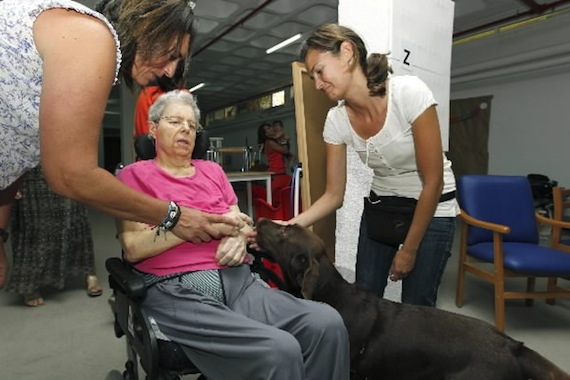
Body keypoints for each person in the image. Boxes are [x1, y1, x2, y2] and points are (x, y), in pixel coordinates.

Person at [0, 0, 242, 289]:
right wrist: (174, 216)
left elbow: (18, 155)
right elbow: (70, 174)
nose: (170, 71)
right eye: (172, 54)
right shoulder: (92, 36)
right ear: (148, 25)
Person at [116, 90, 350, 380]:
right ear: (153, 129)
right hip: (178, 291)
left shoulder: (212, 171)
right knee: (280, 350)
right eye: (175, 121)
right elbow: (133, 247)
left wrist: (239, 238)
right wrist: (202, 223)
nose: (185, 130)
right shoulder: (133, 176)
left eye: (191, 125)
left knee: (328, 323)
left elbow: (240, 223)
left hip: (238, 281)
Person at [289, 23, 460, 307]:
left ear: (347, 52)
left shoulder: (409, 94)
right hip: (384, 207)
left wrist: (409, 248)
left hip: (432, 207)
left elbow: (433, 181)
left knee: (417, 306)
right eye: (312, 77)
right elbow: (333, 195)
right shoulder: (336, 120)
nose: (317, 84)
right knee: (364, 297)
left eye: (319, 71)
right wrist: (290, 226)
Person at [6, 166, 102, 306]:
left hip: (65, 168)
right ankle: (30, 285)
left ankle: (89, 274)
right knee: (33, 227)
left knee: (76, 219)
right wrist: (10, 181)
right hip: (28, 174)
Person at [253, 121, 293, 202]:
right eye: (268, 128)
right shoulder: (270, 143)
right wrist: (284, 140)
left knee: (280, 198)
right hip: (277, 174)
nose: (272, 129)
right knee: (277, 199)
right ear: (266, 134)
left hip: (278, 173)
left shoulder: (271, 142)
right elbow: (285, 151)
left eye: (270, 127)